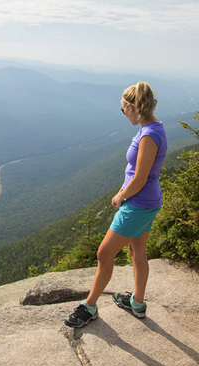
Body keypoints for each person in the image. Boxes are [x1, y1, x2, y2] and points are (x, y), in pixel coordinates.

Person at [65, 82, 168, 328]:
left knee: (104, 254)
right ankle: (137, 303)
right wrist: (123, 192)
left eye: (123, 110)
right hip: (147, 201)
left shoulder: (149, 135)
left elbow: (140, 178)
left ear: (132, 107)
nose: (124, 114)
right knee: (137, 252)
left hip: (138, 204)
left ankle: (89, 306)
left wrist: (121, 196)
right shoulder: (154, 127)